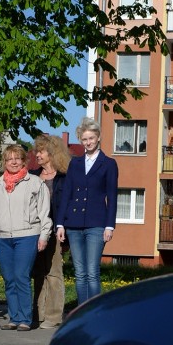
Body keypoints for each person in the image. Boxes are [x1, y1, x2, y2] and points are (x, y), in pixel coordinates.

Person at [0, 144, 52, 332]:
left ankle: (25, 318)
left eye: (17, 158)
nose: (13, 162)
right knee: (8, 278)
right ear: (4, 162)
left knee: (21, 276)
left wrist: (44, 235)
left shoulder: (35, 183)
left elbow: (44, 212)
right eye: (9, 159)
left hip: (28, 235)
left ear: (24, 161)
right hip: (2, 237)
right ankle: (13, 317)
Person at [56, 117, 118, 306]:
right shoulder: (75, 163)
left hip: (97, 224)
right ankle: (82, 310)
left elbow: (112, 196)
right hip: (73, 224)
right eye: (84, 139)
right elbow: (67, 193)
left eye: (91, 138)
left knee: (92, 271)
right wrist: (60, 223)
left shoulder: (108, 164)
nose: (88, 142)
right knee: (79, 272)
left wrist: (109, 226)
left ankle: (95, 311)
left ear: (98, 138)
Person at [29, 134, 70, 328]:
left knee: (53, 273)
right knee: (38, 272)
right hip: (34, 231)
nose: (37, 154)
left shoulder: (64, 178)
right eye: (36, 150)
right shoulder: (31, 176)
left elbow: (67, 206)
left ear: (52, 153)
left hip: (55, 231)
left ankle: (53, 316)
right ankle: (38, 313)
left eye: (41, 151)